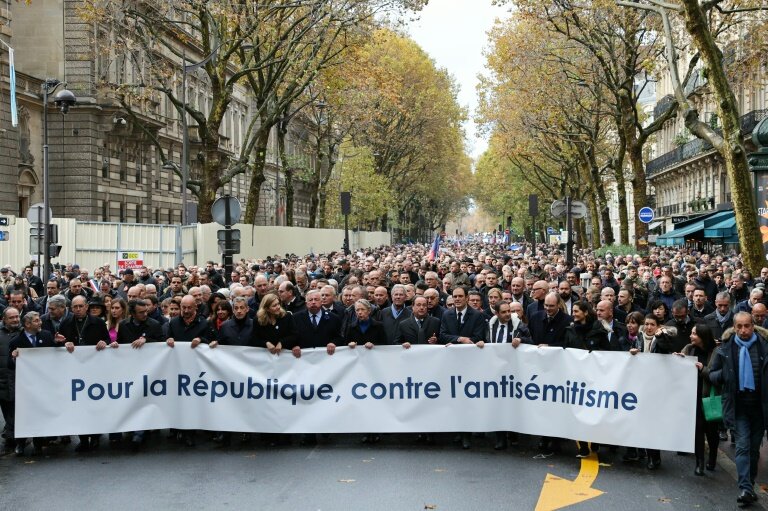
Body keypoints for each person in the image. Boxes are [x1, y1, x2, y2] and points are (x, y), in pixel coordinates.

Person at [709, 312, 768, 505]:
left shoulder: (764, 346)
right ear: (734, 328)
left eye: (747, 326)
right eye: (739, 326)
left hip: (760, 408)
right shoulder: (725, 348)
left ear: (753, 326)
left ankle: (749, 484)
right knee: (742, 447)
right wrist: (725, 375)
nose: (743, 330)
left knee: (753, 450)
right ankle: (745, 489)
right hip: (738, 407)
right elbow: (712, 375)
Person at [116, 299, 165, 450]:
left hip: (149, 370)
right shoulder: (123, 325)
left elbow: (162, 344)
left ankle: (139, 433)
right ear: (132, 313)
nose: (145, 314)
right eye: (141, 312)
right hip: (129, 370)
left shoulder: (154, 325)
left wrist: (146, 340)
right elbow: (121, 344)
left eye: (146, 311)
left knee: (144, 400)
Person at [564, 300, 610, 458]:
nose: (574, 314)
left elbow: (608, 352)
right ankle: (583, 446)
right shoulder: (570, 330)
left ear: (585, 312)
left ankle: (595, 439)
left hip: (595, 378)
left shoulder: (599, 330)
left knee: (594, 411)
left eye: (577, 311)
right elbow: (565, 351)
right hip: (577, 378)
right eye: (573, 311)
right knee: (578, 412)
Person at [9, 312, 56, 456]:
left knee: (39, 413)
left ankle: (38, 444)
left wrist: (60, 344)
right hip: (25, 387)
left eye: (39, 320)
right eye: (36, 321)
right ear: (27, 324)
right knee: (23, 415)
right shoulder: (16, 341)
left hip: (43, 384)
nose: (40, 322)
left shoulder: (47, 336)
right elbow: (9, 365)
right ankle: (20, 443)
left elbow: (55, 356)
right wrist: (13, 358)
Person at [676, 323, 719, 476]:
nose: (691, 336)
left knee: (712, 431)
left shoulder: (716, 352)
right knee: (698, 429)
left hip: (709, 397)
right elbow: (679, 369)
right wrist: (678, 359)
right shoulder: (689, 349)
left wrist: (703, 369)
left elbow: (718, 375)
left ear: (703, 336)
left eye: (694, 333)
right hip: (693, 397)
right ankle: (699, 462)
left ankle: (712, 457)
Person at [0, 307, 20, 454]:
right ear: (4, 320)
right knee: (7, 408)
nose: (15, 320)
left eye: (17, 317)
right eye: (11, 317)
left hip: (20, 379)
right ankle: (10, 433)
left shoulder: (25, 332)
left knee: (18, 409)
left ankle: (13, 435)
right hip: (3, 379)